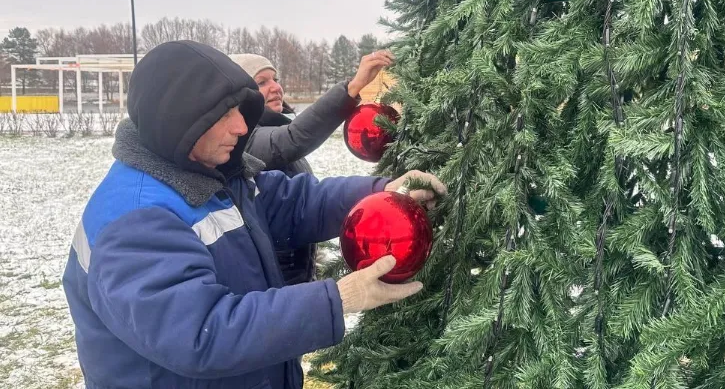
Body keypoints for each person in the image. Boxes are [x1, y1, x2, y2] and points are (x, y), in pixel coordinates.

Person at [62, 41, 445, 389]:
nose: (242, 126)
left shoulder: (214, 173)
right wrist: (337, 299)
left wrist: (384, 191)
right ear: (178, 120)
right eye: (224, 113)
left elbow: (296, 203)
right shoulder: (135, 220)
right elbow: (202, 333)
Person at [229, 49, 394, 286]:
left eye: (275, 79)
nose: (275, 87)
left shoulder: (276, 129)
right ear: (241, 96)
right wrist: (353, 88)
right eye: (262, 82)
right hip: (274, 285)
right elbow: (293, 138)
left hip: (300, 273)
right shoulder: (244, 140)